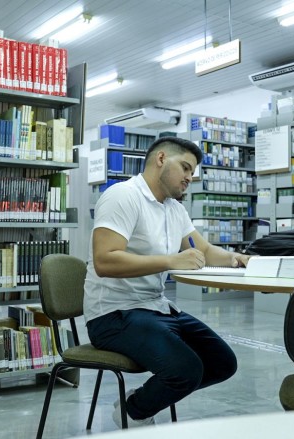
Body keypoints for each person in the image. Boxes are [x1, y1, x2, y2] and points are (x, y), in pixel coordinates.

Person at [83, 136, 250, 427]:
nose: (189, 178)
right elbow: (105, 260)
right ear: (161, 159)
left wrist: (241, 258)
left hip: (156, 308)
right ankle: (133, 413)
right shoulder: (123, 196)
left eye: (192, 173)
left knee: (223, 363)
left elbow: (205, 251)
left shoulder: (174, 208)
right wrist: (171, 260)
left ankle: (138, 401)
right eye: (185, 168)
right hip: (112, 315)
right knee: (186, 370)